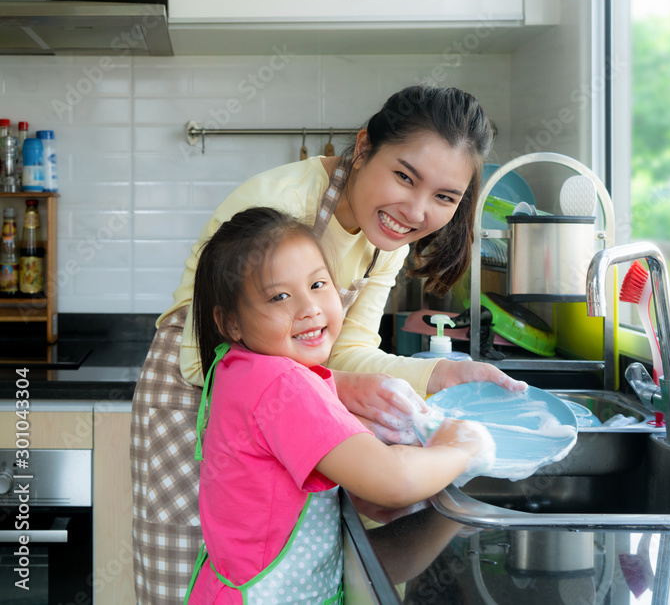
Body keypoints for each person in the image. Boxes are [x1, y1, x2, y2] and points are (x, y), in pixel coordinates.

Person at [131, 85, 525, 604]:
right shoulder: (280, 208)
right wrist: (335, 388)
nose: (415, 210)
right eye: (405, 177)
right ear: (364, 148)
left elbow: (348, 347)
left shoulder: (385, 237)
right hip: (195, 399)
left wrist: (439, 376)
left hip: (283, 402)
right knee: (195, 580)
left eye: (444, 197)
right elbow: (206, 349)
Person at [186, 206, 493, 603]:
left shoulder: (240, 367)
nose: (309, 308)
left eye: (318, 285)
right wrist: (462, 447)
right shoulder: (282, 385)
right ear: (231, 323)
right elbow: (393, 481)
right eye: (280, 296)